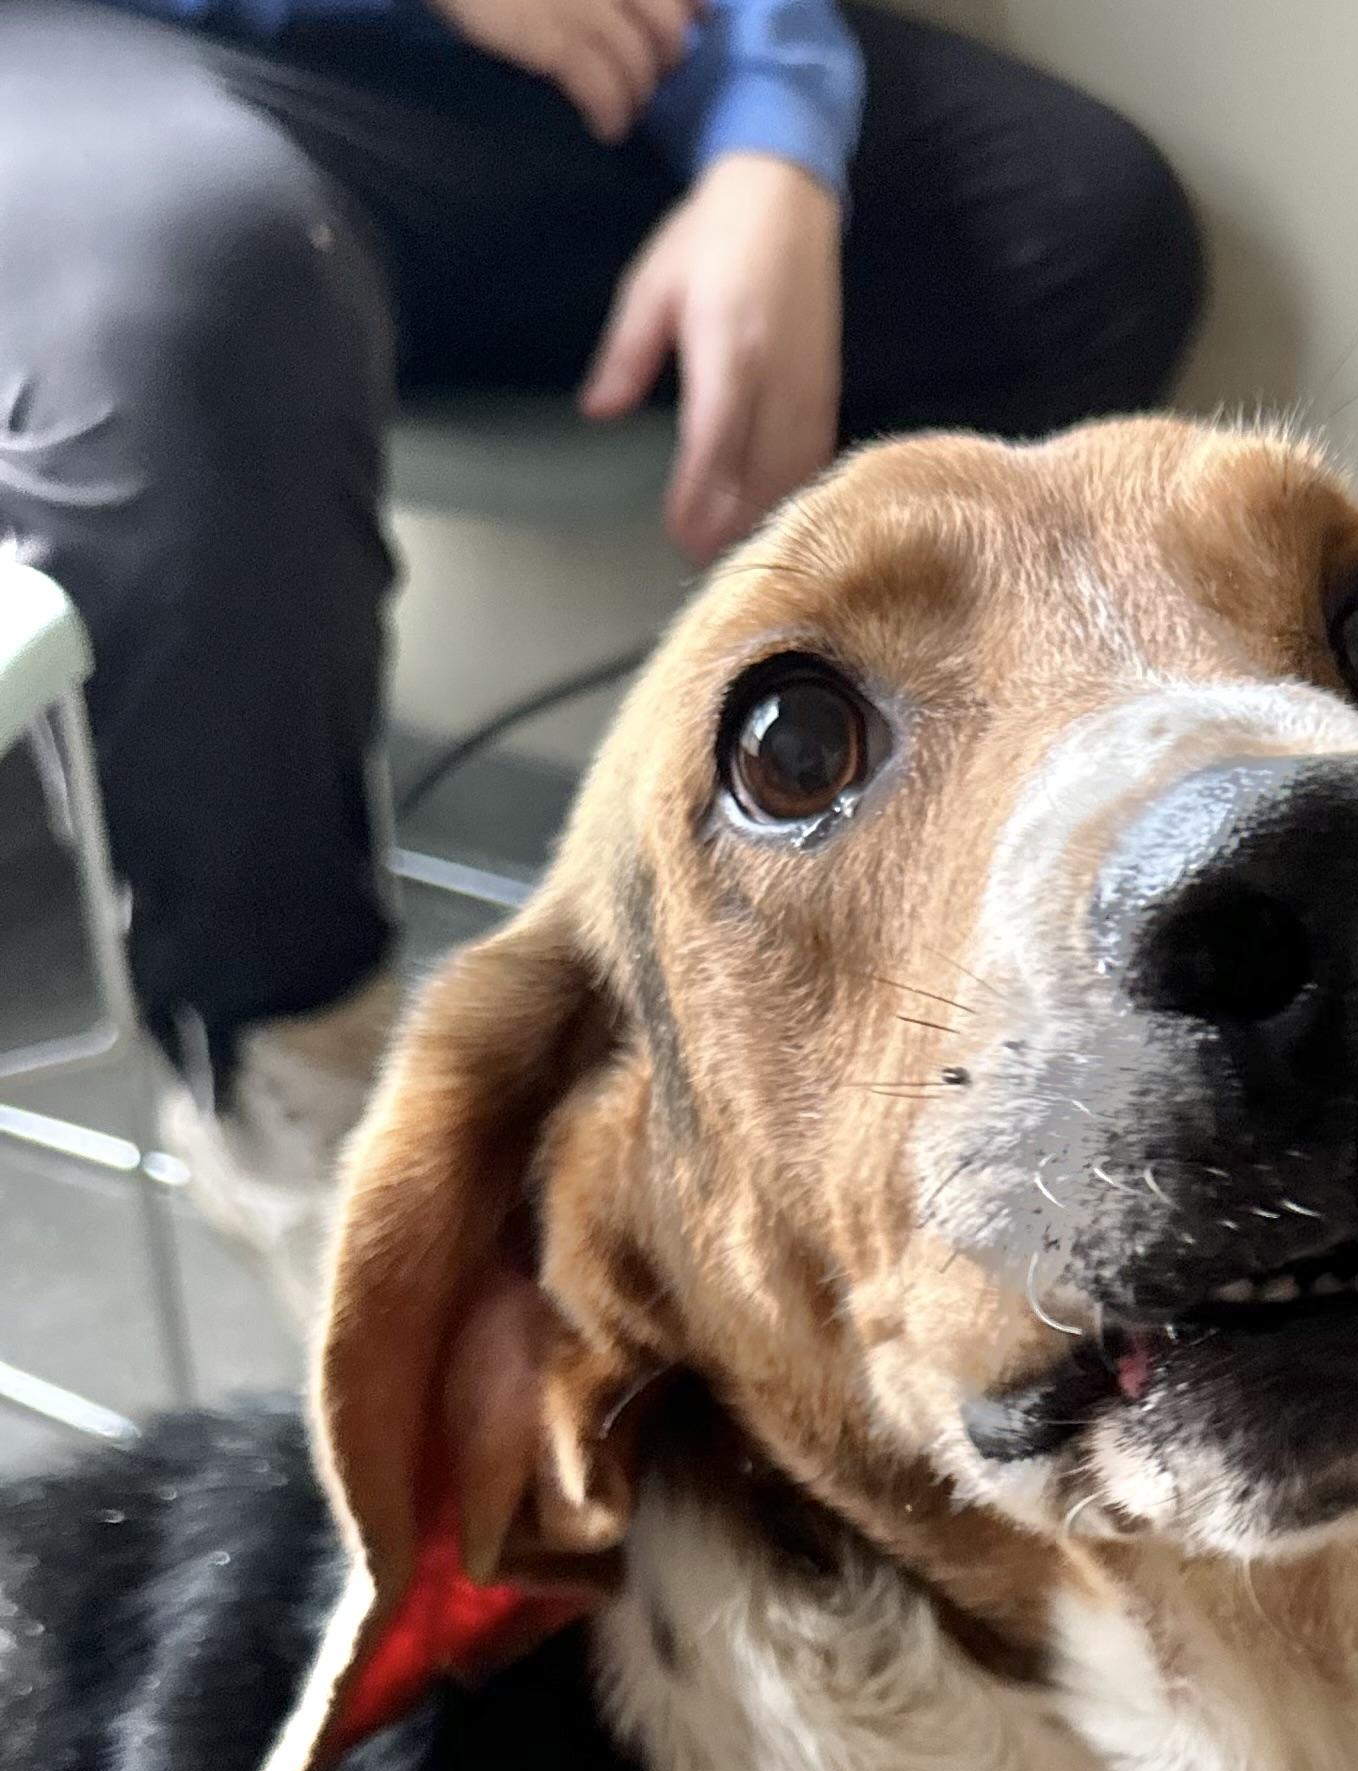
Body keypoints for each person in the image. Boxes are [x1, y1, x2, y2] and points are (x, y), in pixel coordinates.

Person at [0, 0, 1203, 1308]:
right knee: (207, 284)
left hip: (545, 81)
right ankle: (294, 1083)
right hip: (102, 64)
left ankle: (838, 942)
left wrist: (772, 139)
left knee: (1073, 227)